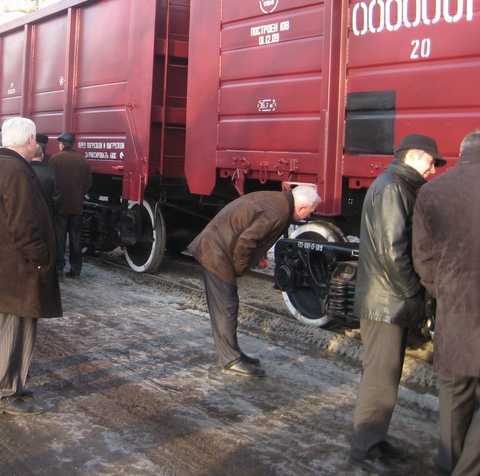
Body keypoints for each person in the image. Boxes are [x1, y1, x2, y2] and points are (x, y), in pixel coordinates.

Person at [348, 133, 446, 476]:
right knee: (380, 376)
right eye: (430, 161)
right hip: (387, 300)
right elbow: (394, 250)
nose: (432, 170)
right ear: (412, 157)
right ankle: (364, 448)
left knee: (383, 375)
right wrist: (413, 294)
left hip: (385, 298)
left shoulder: (394, 185)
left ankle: (373, 439)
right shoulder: (392, 188)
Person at [412, 130, 480, 476]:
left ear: (462, 152)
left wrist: (443, 291)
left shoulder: (431, 190)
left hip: (453, 308)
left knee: (454, 391)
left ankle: (449, 465)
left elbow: (423, 259)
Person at [188, 185, 321, 377]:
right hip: (217, 251)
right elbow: (247, 240)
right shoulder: (278, 210)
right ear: (301, 208)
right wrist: (240, 267)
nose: (311, 214)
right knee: (226, 306)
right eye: (311, 211)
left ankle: (233, 353)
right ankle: (231, 360)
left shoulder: (279, 201)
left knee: (226, 305)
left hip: (218, 245)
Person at [0, 117, 61, 415]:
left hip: (8, 267)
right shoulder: (14, 171)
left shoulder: (4, 166)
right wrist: (40, 257)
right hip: (16, 269)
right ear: (28, 140)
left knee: (17, 328)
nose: (36, 143)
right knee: (11, 331)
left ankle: (12, 385)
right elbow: (23, 224)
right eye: (34, 138)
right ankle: (3, 394)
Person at [48, 132, 92, 279]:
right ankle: (75, 270)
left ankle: (59, 269)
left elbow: (51, 181)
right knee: (76, 238)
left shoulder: (54, 159)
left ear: (61, 144)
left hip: (59, 205)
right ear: (72, 144)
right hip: (76, 206)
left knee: (59, 238)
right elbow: (88, 183)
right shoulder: (83, 160)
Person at [30, 144, 60, 214]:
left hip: (28, 214)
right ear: (42, 155)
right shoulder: (51, 173)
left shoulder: (22, 171)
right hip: (46, 213)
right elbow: (56, 198)